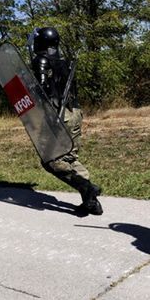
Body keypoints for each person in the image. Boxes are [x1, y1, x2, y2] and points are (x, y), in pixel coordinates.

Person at [31, 27, 103, 215]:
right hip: (75, 113)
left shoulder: (41, 60)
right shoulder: (64, 62)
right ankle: (91, 201)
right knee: (70, 157)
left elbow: (44, 90)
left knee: (51, 161)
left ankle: (86, 186)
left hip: (58, 114)